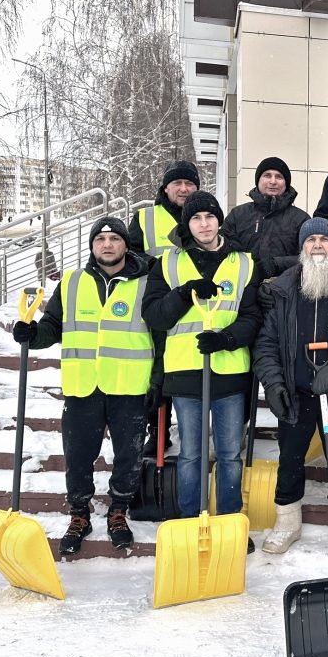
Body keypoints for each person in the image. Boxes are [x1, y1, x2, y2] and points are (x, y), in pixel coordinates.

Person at [12, 217, 153, 555]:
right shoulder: (72, 282)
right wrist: (32, 335)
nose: (107, 244)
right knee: (78, 455)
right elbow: (52, 325)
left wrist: (160, 381)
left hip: (129, 385)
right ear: (92, 246)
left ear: (125, 244)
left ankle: (118, 511)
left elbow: (159, 332)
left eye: (115, 238)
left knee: (129, 455)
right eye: (100, 239)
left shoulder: (147, 283)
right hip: (82, 386)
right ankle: (79, 514)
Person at [141, 191, 262, 552]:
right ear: (187, 224)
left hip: (229, 372)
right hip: (185, 371)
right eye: (196, 218)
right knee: (192, 453)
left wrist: (226, 338)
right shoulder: (167, 264)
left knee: (229, 453)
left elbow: (254, 316)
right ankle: (190, 520)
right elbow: (154, 315)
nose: (204, 224)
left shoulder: (244, 263)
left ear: (219, 220)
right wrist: (185, 293)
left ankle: (228, 521)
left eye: (210, 217)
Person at [253, 219, 328, 554]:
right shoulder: (283, 290)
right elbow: (266, 343)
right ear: (302, 247)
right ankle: (287, 522)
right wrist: (274, 385)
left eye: (324, 239)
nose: (318, 245)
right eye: (311, 239)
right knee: (290, 458)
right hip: (297, 390)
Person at [128, 160, 201, 457]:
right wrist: (158, 267)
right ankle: (157, 432)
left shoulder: (204, 216)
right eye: (177, 183)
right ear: (165, 188)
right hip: (157, 302)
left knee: (184, 368)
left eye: (189, 183)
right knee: (156, 371)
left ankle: (191, 430)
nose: (183, 189)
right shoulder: (146, 218)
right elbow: (130, 253)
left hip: (194, 307)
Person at [221, 156, 309, 280]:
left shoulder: (301, 219)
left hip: (286, 287)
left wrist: (277, 264)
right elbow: (221, 249)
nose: (273, 181)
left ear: (286, 183)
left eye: (279, 177)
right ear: (258, 180)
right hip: (242, 286)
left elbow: (310, 257)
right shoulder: (238, 214)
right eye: (267, 175)